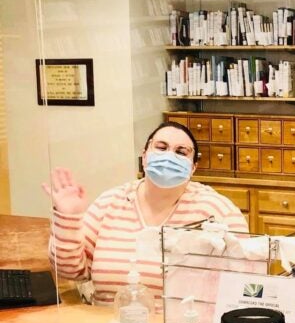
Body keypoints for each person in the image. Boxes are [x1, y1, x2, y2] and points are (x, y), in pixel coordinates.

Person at [44, 121, 248, 306]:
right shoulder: (110, 203)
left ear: (193, 167)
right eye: (161, 147)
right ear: (144, 156)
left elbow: (244, 283)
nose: (169, 156)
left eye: (181, 152)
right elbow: (69, 271)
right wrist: (68, 217)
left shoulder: (218, 211)